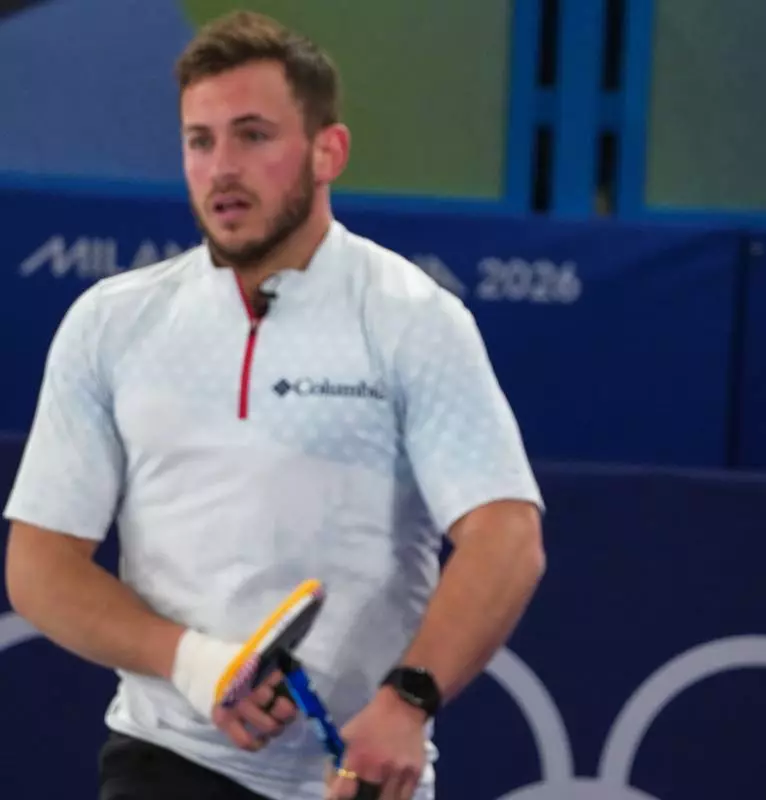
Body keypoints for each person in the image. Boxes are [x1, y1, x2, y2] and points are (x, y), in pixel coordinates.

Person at [2, 10, 545, 800]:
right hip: (166, 760)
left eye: (253, 135)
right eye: (200, 139)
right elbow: (40, 567)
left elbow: (506, 535)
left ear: (330, 150)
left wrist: (407, 703)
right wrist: (198, 664)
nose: (222, 167)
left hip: (360, 776)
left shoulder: (412, 317)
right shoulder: (111, 323)